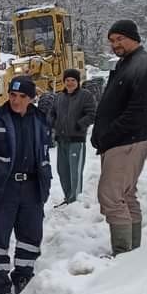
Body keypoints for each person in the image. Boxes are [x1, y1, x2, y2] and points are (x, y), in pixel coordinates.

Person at [0, 76, 52, 294]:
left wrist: (45, 182)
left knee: (30, 236)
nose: (16, 101)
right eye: (13, 95)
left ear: (31, 98)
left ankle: (23, 275)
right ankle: (0, 283)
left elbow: (45, 153)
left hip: (32, 187)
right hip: (3, 188)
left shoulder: (40, 119)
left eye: (22, 97)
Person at [90, 19, 147, 256]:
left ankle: (122, 254)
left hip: (128, 141)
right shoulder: (126, 63)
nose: (115, 44)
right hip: (120, 141)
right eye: (112, 40)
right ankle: (132, 256)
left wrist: (108, 135)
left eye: (120, 38)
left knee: (111, 197)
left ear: (134, 37)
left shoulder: (145, 64)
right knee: (126, 195)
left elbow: (140, 111)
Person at [50, 68, 97, 204]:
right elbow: (52, 113)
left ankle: (75, 200)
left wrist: (79, 125)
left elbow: (92, 114)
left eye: (73, 80)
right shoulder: (59, 97)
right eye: (67, 80)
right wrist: (53, 123)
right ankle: (68, 197)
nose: (70, 83)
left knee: (74, 172)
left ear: (78, 81)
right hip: (61, 140)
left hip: (76, 140)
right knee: (62, 171)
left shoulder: (85, 95)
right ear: (64, 82)